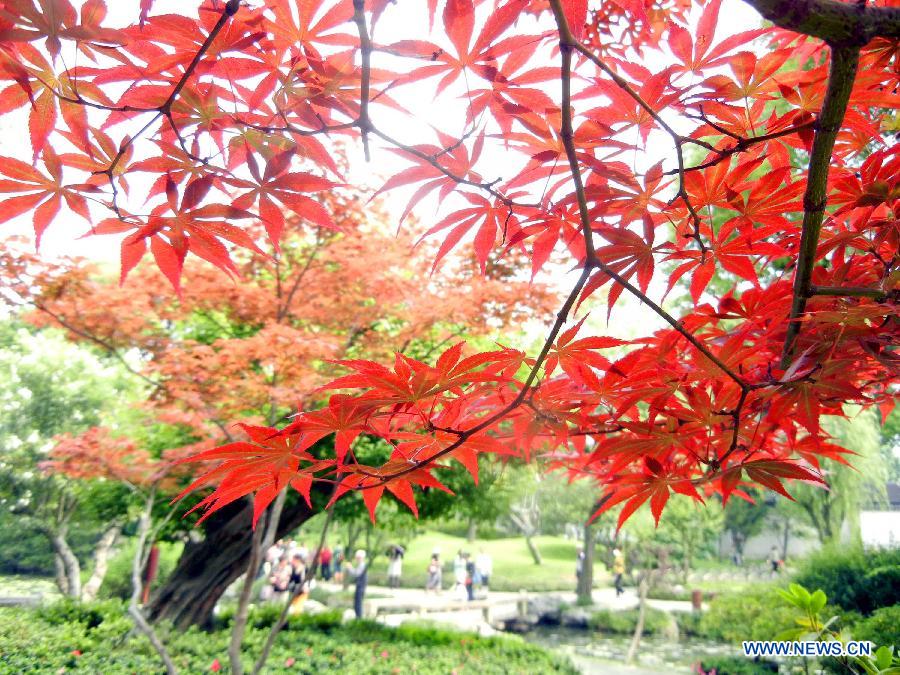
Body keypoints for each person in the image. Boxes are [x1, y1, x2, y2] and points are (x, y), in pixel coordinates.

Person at [348, 549, 368, 619]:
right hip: (360, 586)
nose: (356, 559)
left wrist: (350, 568)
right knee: (357, 603)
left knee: (358, 604)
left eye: (358, 557)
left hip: (361, 586)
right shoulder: (361, 565)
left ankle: (359, 618)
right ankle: (358, 617)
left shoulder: (362, 565)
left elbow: (356, 574)